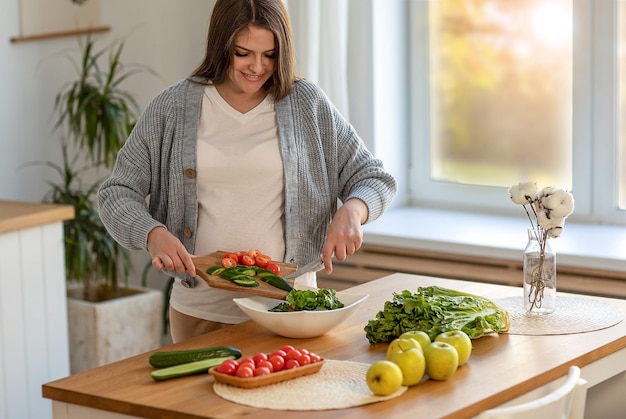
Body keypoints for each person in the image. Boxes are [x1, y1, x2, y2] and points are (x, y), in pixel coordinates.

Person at [97, 0, 397, 343]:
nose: (257, 67)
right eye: (243, 53)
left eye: (269, 55)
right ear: (221, 44)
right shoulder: (172, 107)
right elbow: (116, 193)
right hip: (201, 313)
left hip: (291, 309)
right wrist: (153, 235)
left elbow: (374, 177)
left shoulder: (305, 104)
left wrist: (353, 211)